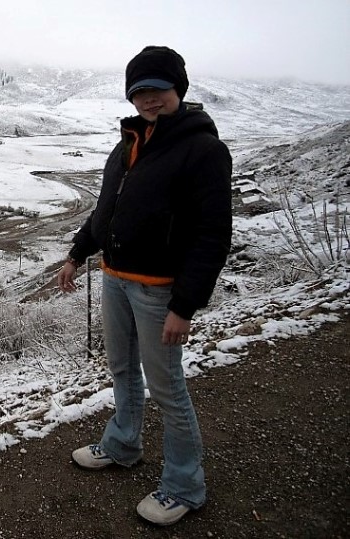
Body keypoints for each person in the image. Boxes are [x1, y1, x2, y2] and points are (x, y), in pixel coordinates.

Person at [55, 45, 232, 526]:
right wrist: (77, 253)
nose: (149, 100)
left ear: (179, 89)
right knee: (121, 370)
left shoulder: (204, 150)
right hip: (114, 280)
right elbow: (106, 211)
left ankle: (184, 485)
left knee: (167, 386)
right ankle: (122, 445)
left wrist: (185, 304)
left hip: (158, 292)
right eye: (139, 92)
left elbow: (213, 234)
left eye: (158, 90)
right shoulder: (128, 143)